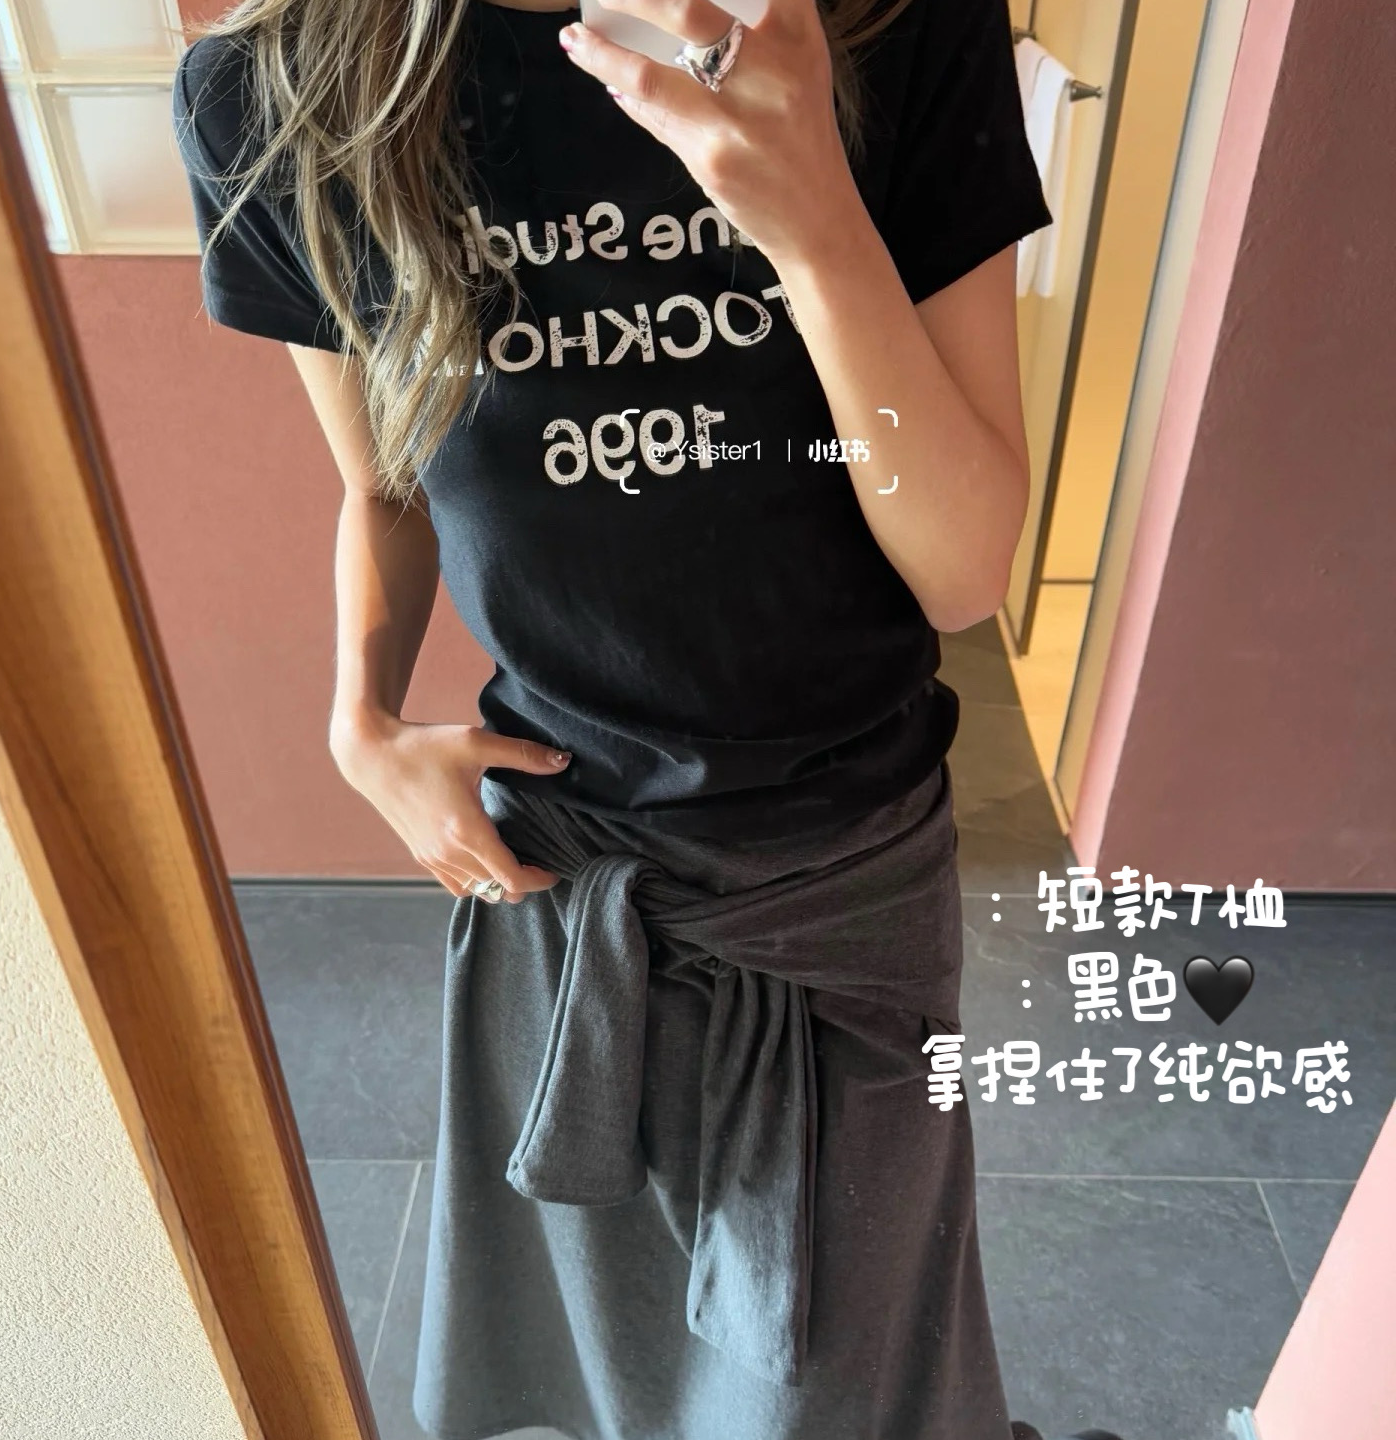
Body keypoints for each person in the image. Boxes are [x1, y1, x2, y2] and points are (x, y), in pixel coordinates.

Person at [172, 0, 1124, 1435]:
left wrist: (816, 226)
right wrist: (360, 720)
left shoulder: (887, 24)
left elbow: (964, 569)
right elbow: (383, 482)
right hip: (559, 882)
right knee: (608, 1362)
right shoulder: (280, 88)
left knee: (840, 1384)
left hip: (842, 881)